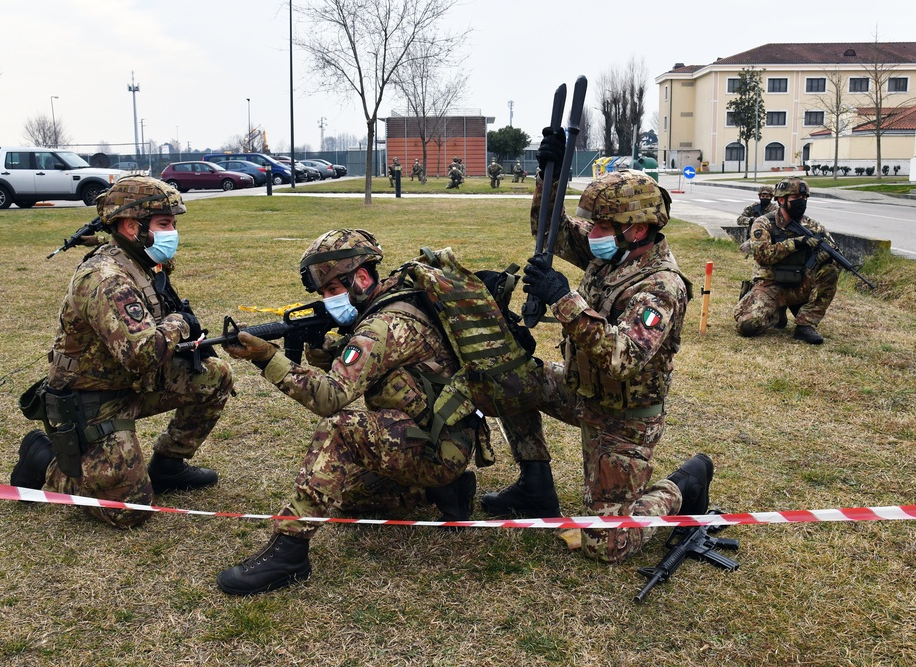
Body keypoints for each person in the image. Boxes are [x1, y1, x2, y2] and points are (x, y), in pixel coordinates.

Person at [480, 130, 712, 565]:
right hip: (579, 390)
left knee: (606, 546)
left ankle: (685, 483)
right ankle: (535, 485)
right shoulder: (611, 252)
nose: (594, 233)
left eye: (603, 226)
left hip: (623, 422)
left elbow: (623, 357)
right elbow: (551, 230)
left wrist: (564, 299)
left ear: (637, 228)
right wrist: (545, 177)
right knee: (504, 378)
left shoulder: (660, 286)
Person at [216, 229, 485, 596]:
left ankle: (289, 551)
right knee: (349, 497)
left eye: (331, 290)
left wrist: (267, 358)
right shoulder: (397, 300)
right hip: (442, 435)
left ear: (360, 277)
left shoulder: (380, 327)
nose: (329, 301)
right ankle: (446, 491)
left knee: (339, 430)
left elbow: (330, 397)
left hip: (436, 445)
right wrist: (325, 345)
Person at [10, 176, 234, 528]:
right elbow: (142, 353)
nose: (172, 232)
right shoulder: (105, 278)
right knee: (128, 511)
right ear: (132, 226)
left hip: (130, 382)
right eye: (164, 223)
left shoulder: (139, 259)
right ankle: (43, 457)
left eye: (173, 223)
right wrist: (179, 323)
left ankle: (169, 466)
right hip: (92, 400)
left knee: (214, 376)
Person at [733, 177, 839, 345]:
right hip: (771, 284)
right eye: (796, 198)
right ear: (781, 200)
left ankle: (805, 324)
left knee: (830, 269)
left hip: (800, 284)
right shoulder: (764, 223)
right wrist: (796, 243)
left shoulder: (813, 226)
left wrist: (826, 256)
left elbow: (833, 248)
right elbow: (763, 256)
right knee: (747, 326)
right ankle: (775, 313)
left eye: (804, 198)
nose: (802, 202)